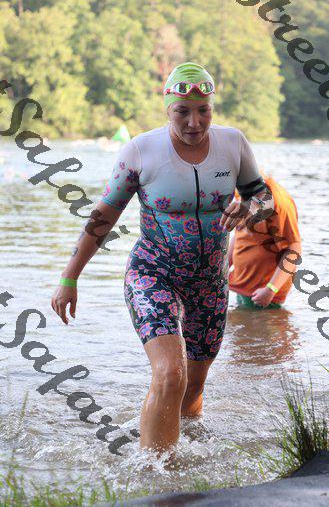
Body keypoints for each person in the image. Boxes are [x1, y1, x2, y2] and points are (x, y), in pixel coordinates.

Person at [51, 61, 274, 458]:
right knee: (171, 372)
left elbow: (264, 197)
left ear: (212, 107)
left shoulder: (233, 144)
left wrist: (251, 209)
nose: (194, 122)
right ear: (167, 108)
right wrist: (70, 277)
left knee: (193, 388)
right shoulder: (141, 151)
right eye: (182, 112)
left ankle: (189, 466)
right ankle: (154, 473)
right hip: (153, 273)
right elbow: (102, 218)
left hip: (210, 281)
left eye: (203, 110)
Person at [228, 173, 302, 309]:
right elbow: (240, 232)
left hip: (264, 292)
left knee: (267, 320)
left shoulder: (280, 204)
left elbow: (294, 249)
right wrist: (222, 267)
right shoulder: (243, 187)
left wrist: (270, 289)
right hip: (242, 284)